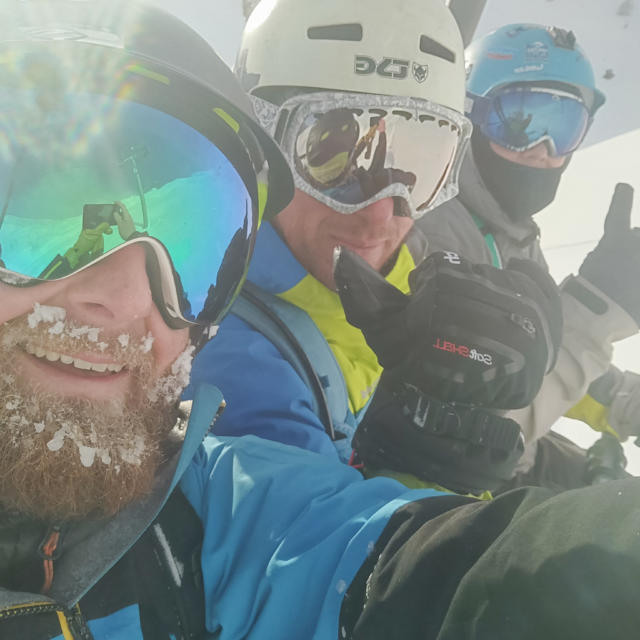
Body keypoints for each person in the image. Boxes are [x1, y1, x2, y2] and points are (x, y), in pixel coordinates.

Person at [4, 5, 640, 639]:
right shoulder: (244, 379)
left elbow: (389, 564)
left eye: (194, 238)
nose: (121, 300)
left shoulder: (214, 497)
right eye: (331, 152)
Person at [185, 0, 563, 492]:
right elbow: (311, 543)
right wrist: (416, 487)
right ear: (260, 146)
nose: (381, 214)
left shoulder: (408, 283)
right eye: (329, 157)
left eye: (417, 166)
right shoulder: (226, 346)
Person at [417, 23, 640, 489]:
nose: (542, 152)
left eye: (564, 128)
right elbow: (473, 423)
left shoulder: (512, 233)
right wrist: (598, 307)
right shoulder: (425, 232)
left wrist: (625, 400)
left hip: (518, 458)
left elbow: (534, 355)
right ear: (468, 117)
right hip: (459, 488)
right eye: (518, 121)